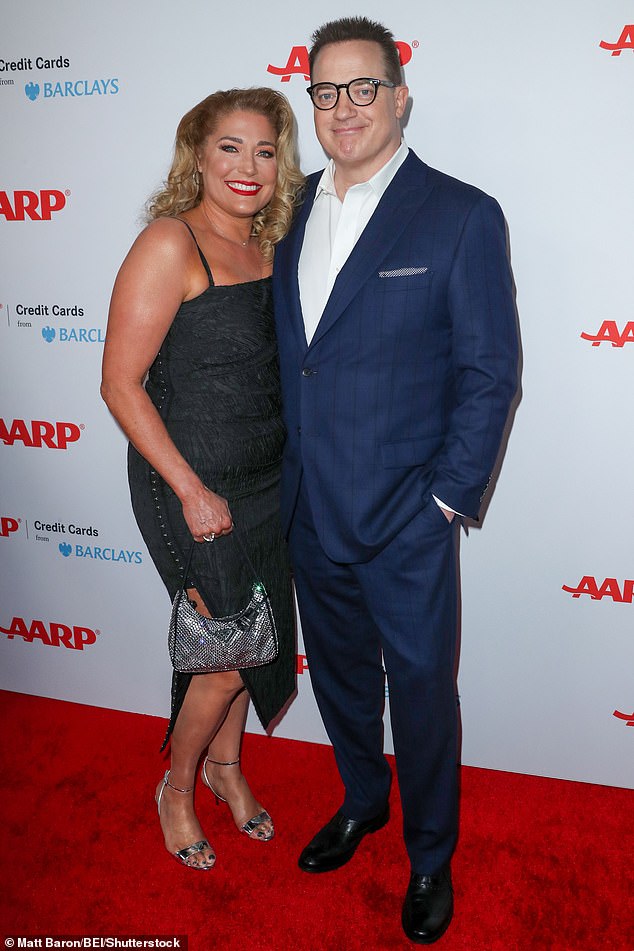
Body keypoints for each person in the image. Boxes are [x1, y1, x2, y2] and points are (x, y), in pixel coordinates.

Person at [272, 17, 519, 944]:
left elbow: (490, 372)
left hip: (408, 516)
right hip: (309, 510)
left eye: (362, 88)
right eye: (326, 91)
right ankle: (361, 800)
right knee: (339, 680)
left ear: (400, 96)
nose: (343, 109)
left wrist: (445, 502)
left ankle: (428, 854)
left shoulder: (460, 213)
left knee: (420, 690)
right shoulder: (286, 207)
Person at [101, 88, 304, 870]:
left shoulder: (271, 245)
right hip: (185, 480)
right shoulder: (168, 242)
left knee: (251, 643)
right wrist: (190, 487)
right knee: (224, 655)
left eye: (263, 151)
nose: (248, 166)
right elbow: (121, 383)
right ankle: (178, 785)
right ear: (197, 153)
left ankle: (227, 767)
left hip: (263, 477)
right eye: (230, 147)